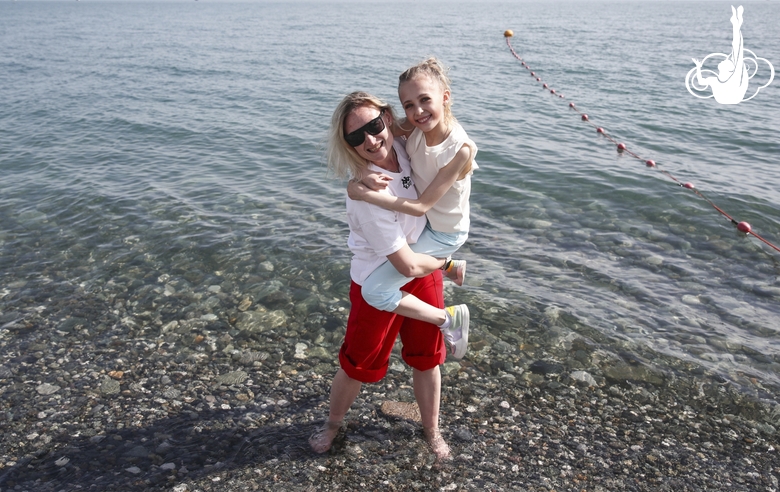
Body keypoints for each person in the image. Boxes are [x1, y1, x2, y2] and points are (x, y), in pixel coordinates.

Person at [309, 91, 456, 460]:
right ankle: (333, 423)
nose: (370, 140)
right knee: (357, 363)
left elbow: (429, 115)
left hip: (421, 268)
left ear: (387, 118)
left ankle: (431, 429)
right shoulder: (367, 191)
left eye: (374, 126)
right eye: (356, 138)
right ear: (349, 146)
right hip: (379, 279)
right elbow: (403, 265)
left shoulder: (406, 144)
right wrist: (446, 262)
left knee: (428, 358)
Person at [347, 58, 477, 358]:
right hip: (431, 224)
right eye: (408, 105)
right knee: (401, 255)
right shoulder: (415, 129)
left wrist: (364, 195)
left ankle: (449, 317)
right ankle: (448, 266)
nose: (417, 111)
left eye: (425, 100)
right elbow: (380, 140)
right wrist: (358, 178)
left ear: (445, 97)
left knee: (375, 291)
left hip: (445, 233)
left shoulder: (460, 150)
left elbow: (419, 206)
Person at [692, 5, 748, 104]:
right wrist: (698, 67)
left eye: (726, 61)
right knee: (737, 52)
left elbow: (738, 49)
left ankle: (736, 24)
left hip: (732, 97)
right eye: (727, 60)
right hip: (729, 97)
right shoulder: (716, 80)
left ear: (729, 69)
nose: (724, 59)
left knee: (737, 50)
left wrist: (698, 67)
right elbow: (701, 82)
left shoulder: (732, 78)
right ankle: (736, 24)